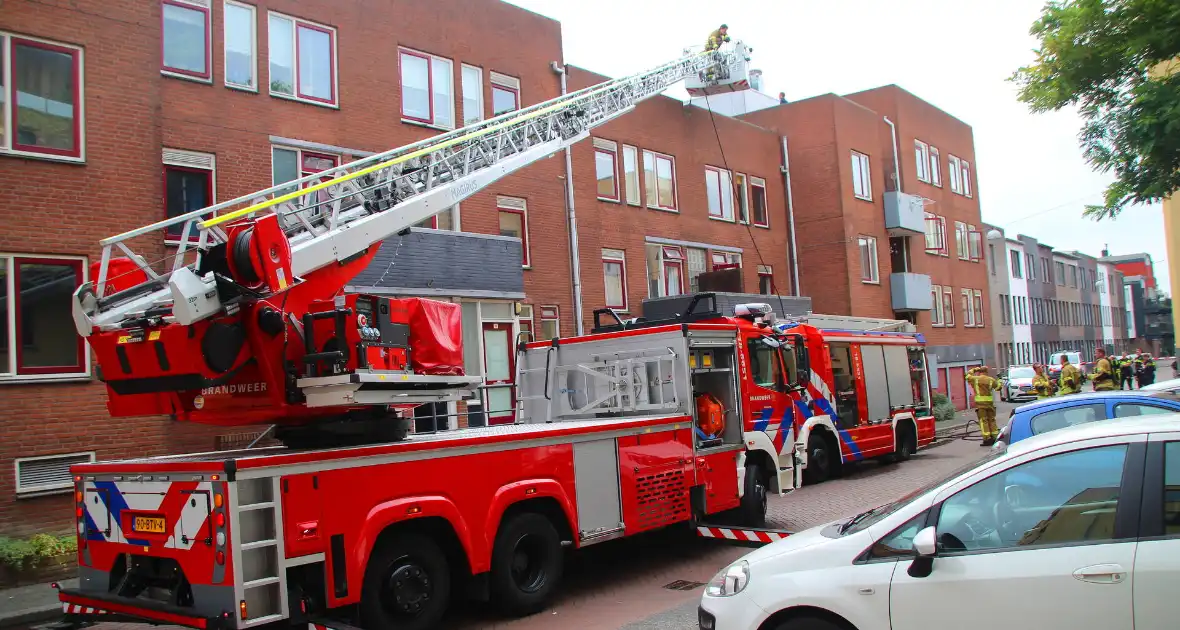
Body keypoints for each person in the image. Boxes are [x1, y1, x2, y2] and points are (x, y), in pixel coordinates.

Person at [966, 366, 1002, 446]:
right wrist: (1000, 379)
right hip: (990, 404)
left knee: (983, 421)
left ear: (979, 372)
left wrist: (974, 369)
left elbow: (967, 376)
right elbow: (998, 388)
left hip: (980, 405)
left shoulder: (975, 379)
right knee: (992, 420)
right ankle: (995, 437)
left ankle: (987, 439)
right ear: (987, 372)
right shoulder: (991, 380)